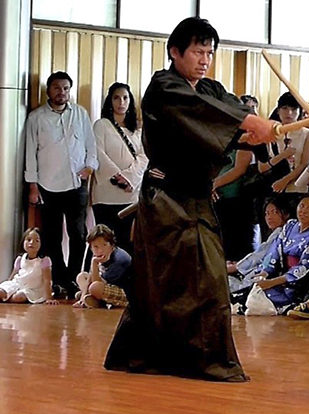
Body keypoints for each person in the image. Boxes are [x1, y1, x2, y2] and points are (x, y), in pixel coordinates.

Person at [103, 17, 278, 381]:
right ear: (175, 52)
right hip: (165, 198)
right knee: (163, 282)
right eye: (198, 51)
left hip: (196, 197)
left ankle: (198, 357)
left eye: (210, 52)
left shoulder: (209, 89)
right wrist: (247, 124)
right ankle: (164, 356)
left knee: (207, 278)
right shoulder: (164, 88)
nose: (205, 59)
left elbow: (228, 121)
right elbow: (218, 118)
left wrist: (255, 131)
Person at [24, 71, 98, 298]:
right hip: (47, 185)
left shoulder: (80, 114)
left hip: (76, 184)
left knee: (78, 233)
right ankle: (58, 281)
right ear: (49, 90)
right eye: (57, 88)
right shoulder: (36, 118)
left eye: (65, 88)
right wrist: (33, 186)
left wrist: (90, 166)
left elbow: (90, 144)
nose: (61, 92)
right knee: (52, 236)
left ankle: (76, 279)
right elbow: (30, 153)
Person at [92, 83, 149, 255]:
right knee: (104, 242)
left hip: (130, 193)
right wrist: (118, 176)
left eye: (125, 98)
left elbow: (144, 156)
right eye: (116, 98)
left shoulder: (138, 128)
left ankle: (124, 280)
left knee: (126, 241)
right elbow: (99, 153)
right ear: (110, 101)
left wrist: (129, 178)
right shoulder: (101, 125)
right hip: (106, 193)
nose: (121, 102)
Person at [247, 195, 309, 314]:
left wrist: (272, 282)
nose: (303, 210)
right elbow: (274, 251)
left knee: (265, 293)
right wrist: (264, 271)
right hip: (277, 273)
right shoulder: (290, 225)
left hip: (295, 283)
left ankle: (287, 306)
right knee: (252, 286)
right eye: (302, 206)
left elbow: (303, 268)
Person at [74, 224, 132, 309]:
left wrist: (94, 263)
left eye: (104, 245)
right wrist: (82, 298)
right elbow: (91, 276)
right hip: (107, 286)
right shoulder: (101, 256)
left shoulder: (120, 259)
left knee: (95, 287)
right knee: (81, 277)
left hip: (126, 293)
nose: (100, 250)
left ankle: (96, 300)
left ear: (111, 244)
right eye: (96, 247)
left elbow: (97, 283)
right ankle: (90, 299)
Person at [0, 228, 58, 305]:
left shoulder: (44, 260)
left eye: (36, 241)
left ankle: (6, 298)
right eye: (28, 239)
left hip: (32, 289)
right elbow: (13, 276)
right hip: (17, 284)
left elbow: (47, 280)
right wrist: (7, 286)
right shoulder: (20, 259)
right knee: (2, 291)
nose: (31, 243)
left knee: (18, 297)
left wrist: (48, 298)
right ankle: (6, 296)